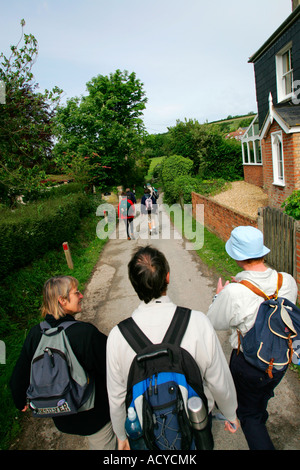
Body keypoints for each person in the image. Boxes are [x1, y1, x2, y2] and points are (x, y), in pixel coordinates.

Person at [106, 245, 239, 451]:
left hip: (145, 430)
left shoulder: (118, 336)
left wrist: (121, 434)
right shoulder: (197, 322)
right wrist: (231, 413)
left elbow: (116, 396)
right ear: (167, 277)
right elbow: (218, 378)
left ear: (134, 284)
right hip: (195, 421)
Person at [207, 225, 298, 450]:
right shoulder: (286, 280)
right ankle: (258, 409)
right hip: (279, 359)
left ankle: (252, 417)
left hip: (249, 363)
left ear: (237, 256)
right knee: (260, 399)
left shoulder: (234, 292)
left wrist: (219, 297)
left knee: (249, 417)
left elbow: (213, 322)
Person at [10, 276, 117, 450]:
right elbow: (113, 368)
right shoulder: (85, 333)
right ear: (62, 300)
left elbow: (18, 377)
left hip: (63, 417)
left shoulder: (36, 333)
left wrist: (20, 400)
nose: (81, 296)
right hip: (95, 418)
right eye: (76, 293)